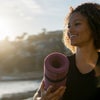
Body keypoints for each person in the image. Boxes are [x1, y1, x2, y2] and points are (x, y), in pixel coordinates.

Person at [33, 2, 100, 100]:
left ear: (94, 26)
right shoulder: (60, 65)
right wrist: (43, 99)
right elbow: (37, 96)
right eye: (69, 26)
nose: (70, 30)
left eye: (77, 24)